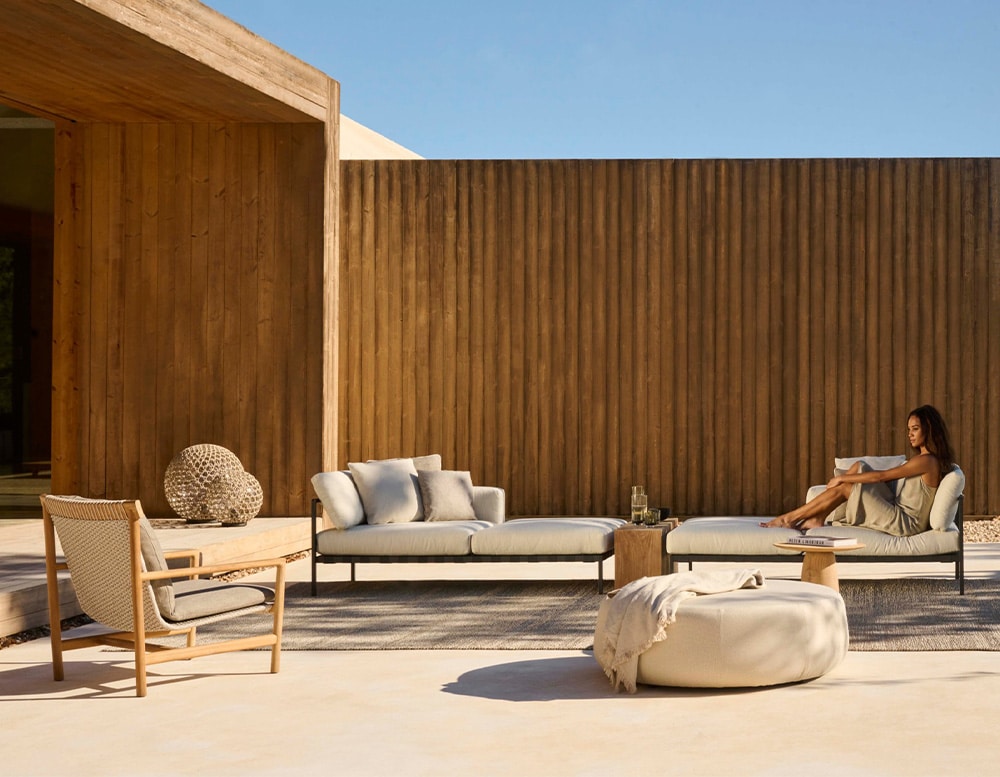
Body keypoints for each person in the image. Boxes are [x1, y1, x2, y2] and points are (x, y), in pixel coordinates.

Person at [762, 405, 955, 536]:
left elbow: (882, 476)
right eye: (908, 430)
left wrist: (842, 480)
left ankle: (789, 518)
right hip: (897, 508)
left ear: (928, 430)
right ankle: (816, 518)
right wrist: (850, 477)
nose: (910, 434)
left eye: (915, 429)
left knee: (847, 486)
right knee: (860, 467)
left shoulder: (928, 461)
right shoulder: (925, 459)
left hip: (905, 523)